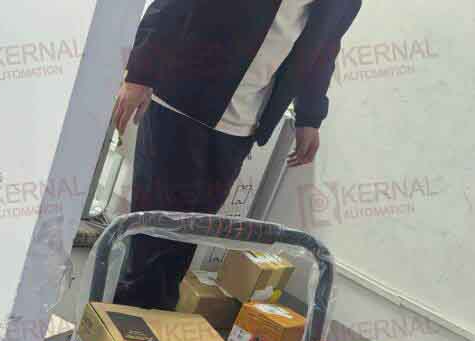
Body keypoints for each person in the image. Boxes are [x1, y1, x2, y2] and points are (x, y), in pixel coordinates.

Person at [110, 0, 362, 310]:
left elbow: (324, 50)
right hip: (180, 98)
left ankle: (143, 325)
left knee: (187, 236)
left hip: (242, 123)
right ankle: (127, 325)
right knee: (153, 236)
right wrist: (140, 73)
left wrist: (310, 116)